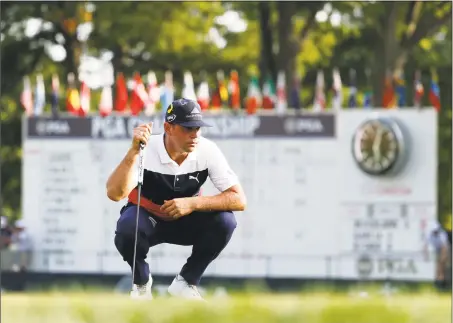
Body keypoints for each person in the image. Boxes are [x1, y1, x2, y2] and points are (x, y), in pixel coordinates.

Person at [106, 98, 246, 300]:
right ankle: (141, 284)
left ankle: (186, 283)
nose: (194, 134)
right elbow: (114, 193)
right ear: (168, 128)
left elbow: (239, 199)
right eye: (187, 128)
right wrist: (134, 152)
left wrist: (192, 203)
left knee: (225, 221)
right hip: (148, 219)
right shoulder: (146, 148)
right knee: (127, 228)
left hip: (185, 219)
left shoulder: (207, 150)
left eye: (198, 128)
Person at [425, 220, 450, 289]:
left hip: (446, 248)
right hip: (437, 250)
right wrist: (426, 256)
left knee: (443, 266)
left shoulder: (442, 234)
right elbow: (425, 246)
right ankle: (439, 282)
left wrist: (442, 259)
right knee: (438, 267)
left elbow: (444, 247)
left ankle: (444, 282)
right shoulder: (429, 235)